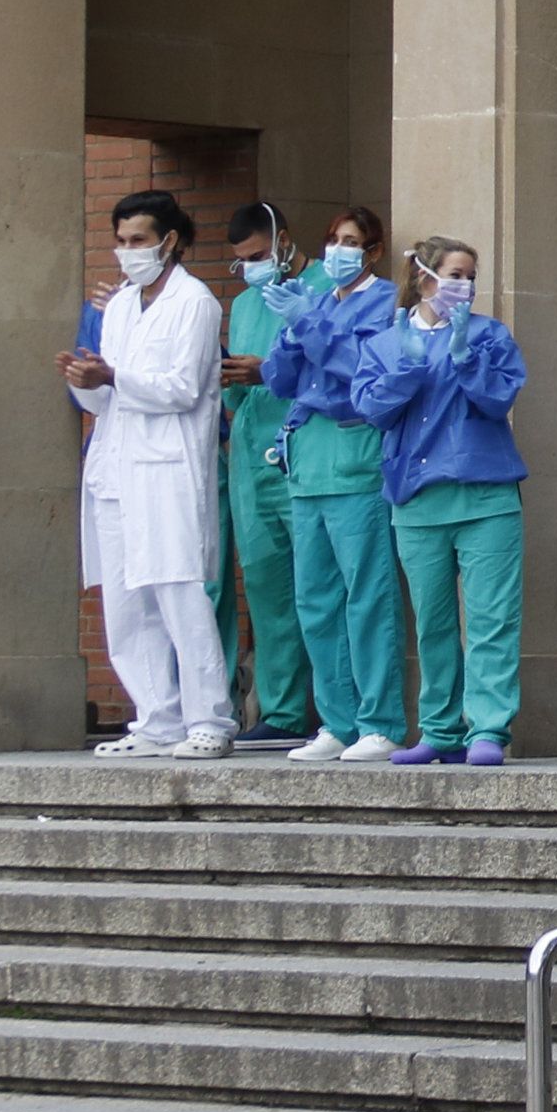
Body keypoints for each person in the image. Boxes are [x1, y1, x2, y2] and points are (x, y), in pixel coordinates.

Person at [63, 188, 234, 759]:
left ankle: (208, 718)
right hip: (115, 467)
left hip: (167, 468)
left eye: (138, 240)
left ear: (170, 241)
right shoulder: (117, 307)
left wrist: (111, 376)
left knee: (178, 593)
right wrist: (86, 379)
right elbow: (103, 399)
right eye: (120, 241)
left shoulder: (195, 302)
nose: (127, 251)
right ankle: (156, 718)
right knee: (125, 601)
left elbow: (183, 388)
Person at [353, 237, 529, 767]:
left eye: (471, 275)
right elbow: (369, 409)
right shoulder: (385, 344)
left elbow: (500, 399)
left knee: (492, 620)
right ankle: (439, 730)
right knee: (432, 623)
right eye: (456, 273)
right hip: (417, 500)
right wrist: (407, 370)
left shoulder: (489, 336)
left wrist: (464, 359)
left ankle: (489, 730)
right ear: (423, 274)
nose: (466, 286)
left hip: (487, 496)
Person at [260, 209, 411, 765]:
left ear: (372, 252)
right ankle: (336, 720)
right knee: (316, 600)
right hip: (308, 465)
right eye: (332, 240)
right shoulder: (320, 299)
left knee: (366, 595)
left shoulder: (387, 302)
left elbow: (363, 370)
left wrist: (314, 329)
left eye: (351, 242)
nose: (338, 251)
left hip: (354, 461)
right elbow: (280, 380)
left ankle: (380, 721)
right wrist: (291, 325)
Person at [211, 201, 316, 747]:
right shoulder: (247, 303)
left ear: (283, 240)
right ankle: (281, 711)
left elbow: (331, 364)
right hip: (252, 456)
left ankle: (336, 713)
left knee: (320, 588)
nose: (251, 268)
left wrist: (267, 371)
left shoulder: (320, 286)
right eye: (241, 261)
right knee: (268, 588)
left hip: (304, 452)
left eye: (256, 255)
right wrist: (235, 375)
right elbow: (234, 388)